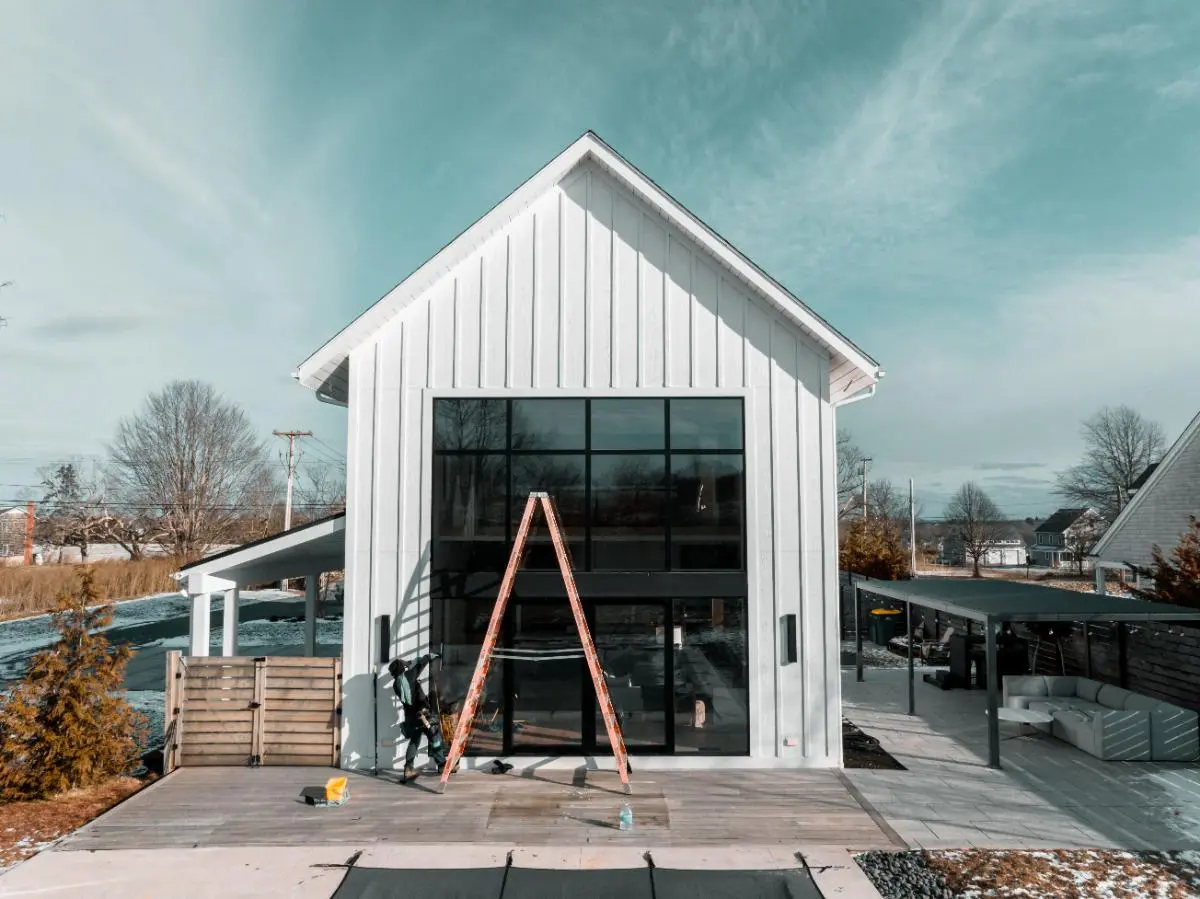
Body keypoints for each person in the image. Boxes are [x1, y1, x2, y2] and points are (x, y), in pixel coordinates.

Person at [388, 652, 450, 782]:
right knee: (434, 736)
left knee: (414, 741)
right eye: (404, 666)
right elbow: (420, 665)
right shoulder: (409, 676)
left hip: (411, 717)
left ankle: (408, 769)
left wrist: (409, 665)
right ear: (402, 669)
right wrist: (429, 656)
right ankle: (442, 765)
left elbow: (409, 686)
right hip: (423, 713)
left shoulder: (396, 684)